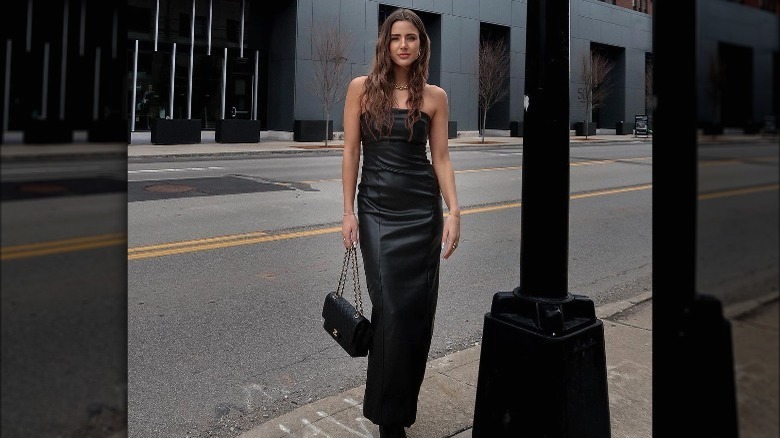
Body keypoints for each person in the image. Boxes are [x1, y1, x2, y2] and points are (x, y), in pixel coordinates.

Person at [340, 8, 461, 438]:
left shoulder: (434, 97)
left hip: (421, 212)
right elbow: (351, 151)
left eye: (411, 38)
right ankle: (387, 415)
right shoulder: (361, 89)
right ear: (385, 44)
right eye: (396, 38)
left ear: (421, 45)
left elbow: (441, 158)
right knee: (389, 307)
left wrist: (454, 211)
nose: (403, 45)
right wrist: (348, 211)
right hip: (376, 209)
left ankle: (395, 416)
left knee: (413, 316)